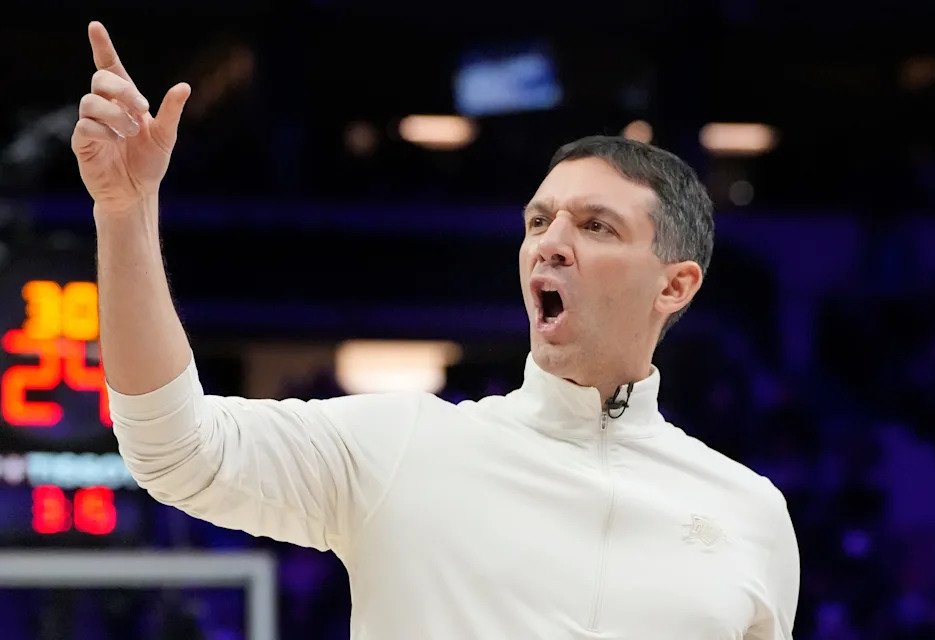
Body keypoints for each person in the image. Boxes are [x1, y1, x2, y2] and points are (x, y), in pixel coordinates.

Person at [73, 21, 800, 640]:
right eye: (540, 221)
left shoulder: (749, 514)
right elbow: (172, 449)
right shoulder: (402, 450)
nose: (550, 242)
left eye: (596, 226)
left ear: (674, 285)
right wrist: (125, 213)